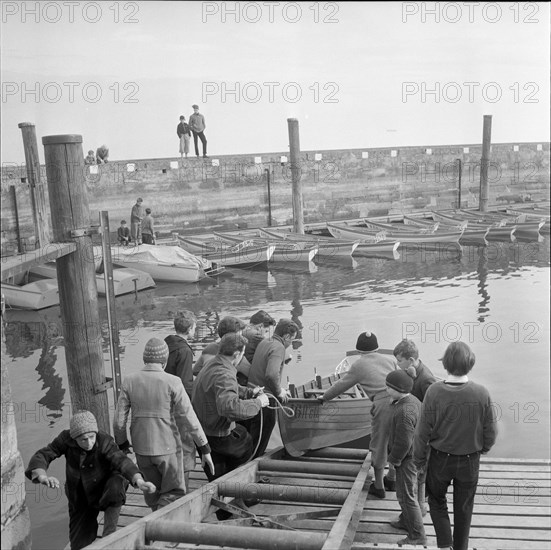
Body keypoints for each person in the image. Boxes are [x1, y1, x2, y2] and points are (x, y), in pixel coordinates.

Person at [25, 410, 156, 550]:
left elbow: (121, 460)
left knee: (116, 486)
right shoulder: (65, 439)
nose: (89, 443)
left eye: (91, 437)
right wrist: (42, 476)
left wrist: (138, 480)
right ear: (74, 438)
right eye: (83, 439)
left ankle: (109, 536)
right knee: (79, 544)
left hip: (107, 488)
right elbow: (44, 454)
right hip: (80, 494)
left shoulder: (104, 440)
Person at [413, 341, 498, 550]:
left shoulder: (433, 392)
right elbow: (491, 430)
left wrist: (419, 460)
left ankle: (444, 544)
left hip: (441, 459)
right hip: (470, 461)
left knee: (436, 499)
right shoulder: (482, 393)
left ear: (446, 365)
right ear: (470, 364)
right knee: (464, 507)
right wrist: (484, 447)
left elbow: (422, 431)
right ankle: (460, 547)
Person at [114, 337, 214, 510]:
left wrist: (123, 444)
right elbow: (189, 418)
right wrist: (204, 448)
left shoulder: (129, 380)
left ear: (144, 359)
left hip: (141, 449)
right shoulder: (173, 382)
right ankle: (165, 531)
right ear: (165, 361)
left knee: (153, 493)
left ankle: (156, 523)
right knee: (173, 494)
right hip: (168, 449)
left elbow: (118, 421)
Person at [318, 331, 397, 498]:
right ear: (377, 348)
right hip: (399, 401)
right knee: (395, 440)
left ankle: (379, 486)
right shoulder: (390, 360)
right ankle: (392, 479)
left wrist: (324, 398)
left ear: (359, 351)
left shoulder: (359, 365)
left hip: (382, 405)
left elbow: (342, 385)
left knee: (379, 444)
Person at [192, 333, 269, 483]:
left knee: (216, 476)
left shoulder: (212, 364)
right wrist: (258, 403)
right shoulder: (225, 373)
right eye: (243, 354)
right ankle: (234, 481)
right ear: (236, 354)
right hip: (217, 435)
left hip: (201, 432)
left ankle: (225, 481)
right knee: (246, 442)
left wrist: (248, 392)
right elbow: (229, 408)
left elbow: (221, 387)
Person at [393, 338, 437, 513]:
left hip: (422, 434)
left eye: (400, 361)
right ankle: (418, 505)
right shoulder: (411, 372)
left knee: (420, 472)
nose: (397, 364)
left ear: (411, 360)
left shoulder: (426, 380)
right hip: (413, 429)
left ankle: (419, 506)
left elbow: (433, 411)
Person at [244, 319, 298, 458]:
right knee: (259, 443)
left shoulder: (265, 342)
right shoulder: (278, 347)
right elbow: (271, 374)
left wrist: (280, 387)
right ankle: (247, 470)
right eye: (292, 339)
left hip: (252, 394)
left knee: (254, 437)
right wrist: (279, 391)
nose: (290, 344)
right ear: (286, 336)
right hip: (265, 400)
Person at [385, 370, 426, 546]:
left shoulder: (403, 412)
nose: (385, 388)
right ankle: (405, 521)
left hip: (407, 460)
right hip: (416, 456)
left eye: (388, 386)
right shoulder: (412, 400)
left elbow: (403, 442)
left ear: (398, 389)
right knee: (409, 493)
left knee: (406, 496)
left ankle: (417, 535)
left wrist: (393, 460)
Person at [165, 310, 197, 490]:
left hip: (164, 404)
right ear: (190, 328)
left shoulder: (165, 344)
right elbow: (185, 383)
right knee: (185, 448)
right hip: (178, 406)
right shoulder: (184, 351)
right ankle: (182, 489)